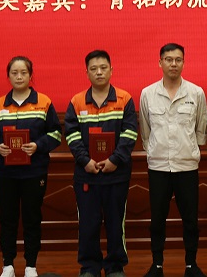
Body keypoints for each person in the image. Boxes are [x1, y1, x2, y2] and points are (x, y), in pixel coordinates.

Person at [0, 56, 63, 277]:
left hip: (34, 172)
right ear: (8, 76)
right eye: (14, 73)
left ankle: (31, 266)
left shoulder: (43, 102)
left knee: (32, 218)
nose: (19, 77)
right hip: (5, 172)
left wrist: (38, 145)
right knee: (7, 218)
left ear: (30, 75)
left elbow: (56, 133)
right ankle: (8, 265)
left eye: (23, 73)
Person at [64, 50, 138, 277]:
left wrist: (115, 160)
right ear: (86, 72)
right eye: (94, 68)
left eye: (103, 68)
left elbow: (130, 133)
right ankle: (89, 267)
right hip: (87, 174)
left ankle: (115, 266)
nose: (99, 72)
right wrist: (85, 161)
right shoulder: (77, 101)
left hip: (116, 173)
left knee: (116, 223)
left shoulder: (124, 99)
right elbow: (72, 135)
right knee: (88, 223)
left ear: (111, 70)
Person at [139, 43, 207, 277]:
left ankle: (191, 264)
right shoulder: (147, 94)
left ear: (184, 63)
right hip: (158, 166)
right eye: (168, 59)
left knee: (190, 220)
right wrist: (154, 150)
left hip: (187, 165)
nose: (173, 64)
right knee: (157, 220)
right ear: (160, 62)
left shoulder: (196, 93)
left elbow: (201, 130)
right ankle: (157, 264)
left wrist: (189, 148)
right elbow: (145, 132)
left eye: (178, 60)